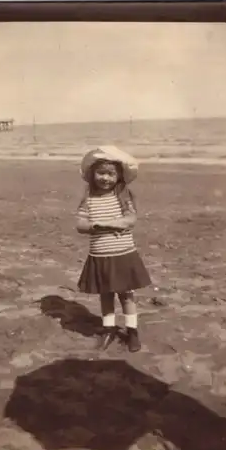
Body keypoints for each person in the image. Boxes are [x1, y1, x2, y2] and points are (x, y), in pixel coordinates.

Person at [76, 146, 151, 352]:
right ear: (93, 174)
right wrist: (95, 225)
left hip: (123, 253)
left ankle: (132, 331)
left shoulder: (122, 195)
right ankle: (108, 329)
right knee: (106, 294)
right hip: (100, 254)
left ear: (118, 176)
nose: (105, 178)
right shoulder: (88, 197)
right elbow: (80, 224)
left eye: (111, 174)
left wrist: (107, 223)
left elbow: (130, 220)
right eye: (101, 173)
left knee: (126, 295)